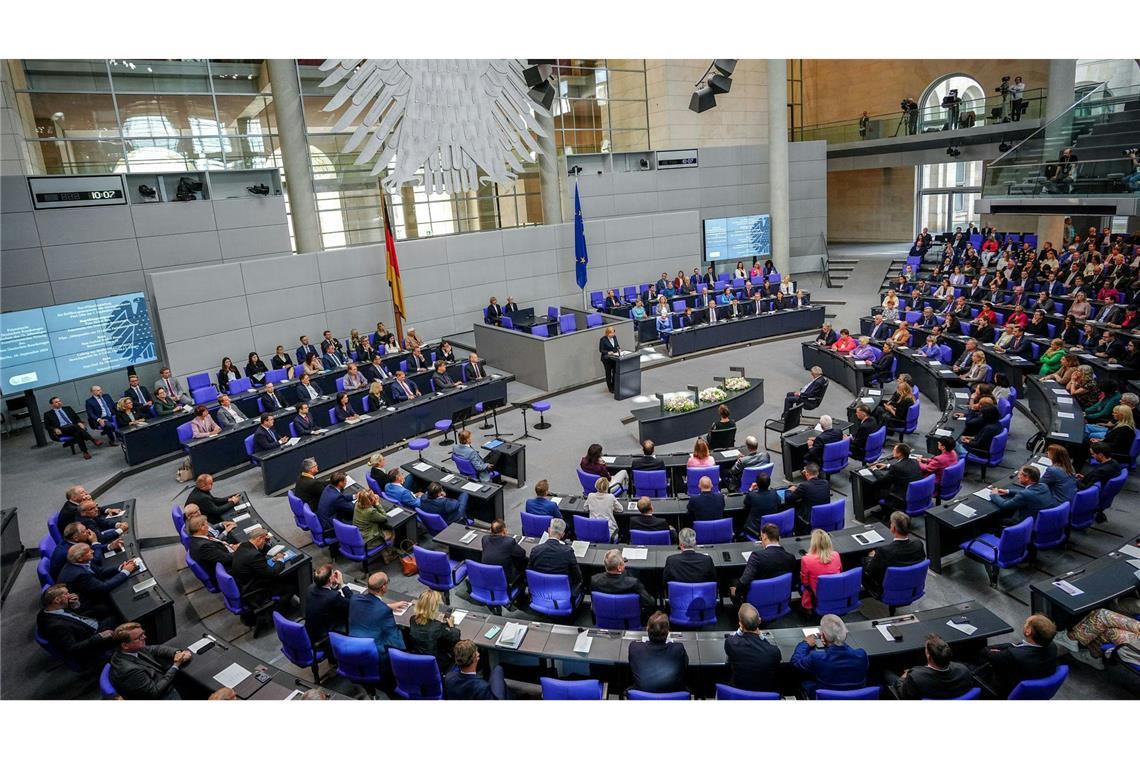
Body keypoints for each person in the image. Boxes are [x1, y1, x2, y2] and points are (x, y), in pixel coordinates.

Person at [977, 614, 1059, 698]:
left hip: (1006, 690)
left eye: (1026, 623)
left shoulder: (1013, 656)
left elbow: (987, 653)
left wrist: (999, 653)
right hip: (1032, 682)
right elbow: (1016, 646)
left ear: (1028, 632)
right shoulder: (1052, 646)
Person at [36, 584, 115, 670]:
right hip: (94, 638)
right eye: (66, 594)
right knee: (123, 618)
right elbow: (72, 649)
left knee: (111, 608)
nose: (70, 595)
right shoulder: (57, 627)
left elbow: (72, 618)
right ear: (57, 600)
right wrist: (99, 637)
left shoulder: (49, 610)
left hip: (90, 626)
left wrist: (75, 605)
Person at [109, 621, 191, 700]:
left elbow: (155, 649)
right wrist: (176, 665)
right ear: (125, 645)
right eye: (139, 637)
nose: (144, 637)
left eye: (143, 633)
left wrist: (177, 653)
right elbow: (154, 692)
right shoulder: (129, 670)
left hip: (158, 678)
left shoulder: (129, 649)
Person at [791, 614, 869, 695]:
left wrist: (805, 643)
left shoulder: (817, 657)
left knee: (806, 683)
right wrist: (836, 642)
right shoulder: (861, 655)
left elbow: (795, 663)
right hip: (855, 697)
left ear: (823, 636)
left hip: (825, 697)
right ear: (845, 633)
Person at [348, 571, 409, 662]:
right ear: (383, 587)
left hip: (352, 648)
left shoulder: (355, 599)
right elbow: (395, 640)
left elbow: (370, 609)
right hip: (374, 655)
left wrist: (388, 606)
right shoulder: (384, 611)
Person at [231, 527, 294, 614]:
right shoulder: (254, 555)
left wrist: (273, 559)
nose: (265, 543)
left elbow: (257, 565)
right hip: (254, 587)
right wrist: (280, 559)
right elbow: (272, 573)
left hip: (243, 581)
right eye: (265, 540)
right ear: (259, 538)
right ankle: (278, 613)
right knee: (290, 587)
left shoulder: (243, 545)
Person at [731, 522, 796, 606]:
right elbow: (792, 582)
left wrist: (736, 592)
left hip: (757, 602)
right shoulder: (790, 558)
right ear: (778, 538)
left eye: (761, 538)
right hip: (779, 600)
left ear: (765, 537)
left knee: (733, 583)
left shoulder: (756, 556)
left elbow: (744, 582)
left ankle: (742, 616)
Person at [893, 634, 975, 699]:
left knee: (886, 673)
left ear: (929, 656)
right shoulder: (964, 670)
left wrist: (904, 676)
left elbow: (902, 693)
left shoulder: (915, 677)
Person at [862, 511, 926, 594]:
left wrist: (871, 557)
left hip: (886, 589)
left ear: (894, 528)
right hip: (911, 585)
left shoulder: (885, 551)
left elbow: (870, 571)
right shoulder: (918, 545)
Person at [724, 603, 782, 692]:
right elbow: (767, 647)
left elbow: (733, 638)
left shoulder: (730, 643)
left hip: (738, 692)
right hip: (764, 694)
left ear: (740, 624)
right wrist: (762, 637)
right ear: (759, 621)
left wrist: (740, 629)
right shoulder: (774, 651)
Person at [628, 612, 688, 694]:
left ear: (647, 629)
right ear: (667, 632)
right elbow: (685, 665)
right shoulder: (678, 649)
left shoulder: (634, 648)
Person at [408, 589, 461, 673]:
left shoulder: (413, 620)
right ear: (433, 607)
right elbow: (455, 636)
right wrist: (451, 625)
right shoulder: (436, 627)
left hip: (419, 657)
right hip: (437, 663)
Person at [590, 549, 656, 614]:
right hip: (628, 620)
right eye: (623, 561)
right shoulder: (633, 583)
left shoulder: (594, 580)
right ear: (619, 567)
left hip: (604, 618)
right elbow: (650, 603)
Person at [527, 518, 583, 594]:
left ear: (549, 530)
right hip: (561, 595)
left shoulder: (535, 550)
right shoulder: (568, 552)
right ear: (563, 535)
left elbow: (529, 573)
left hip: (539, 593)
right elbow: (578, 577)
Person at [871, 443, 923, 512]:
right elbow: (902, 467)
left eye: (894, 450)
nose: (892, 451)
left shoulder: (897, 467)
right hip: (915, 493)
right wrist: (887, 466)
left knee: (877, 486)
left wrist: (875, 469)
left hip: (902, 496)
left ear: (899, 454)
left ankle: (886, 511)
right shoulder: (914, 461)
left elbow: (882, 480)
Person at [785, 463, 833, 536]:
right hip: (824, 515)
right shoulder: (826, 483)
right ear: (818, 473)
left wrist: (789, 490)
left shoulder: (804, 486)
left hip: (808, 520)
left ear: (806, 474)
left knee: (790, 507)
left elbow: (788, 498)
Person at [481, 520, 527, 588]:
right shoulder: (509, 542)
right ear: (504, 530)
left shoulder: (484, 539)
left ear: (490, 530)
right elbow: (522, 553)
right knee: (523, 564)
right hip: (504, 579)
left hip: (487, 575)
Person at [598, 326, 621, 393]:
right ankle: (610, 388)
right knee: (608, 373)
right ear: (607, 333)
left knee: (614, 372)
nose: (613, 334)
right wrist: (608, 352)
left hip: (614, 358)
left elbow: (617, 345)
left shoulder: (614, 337)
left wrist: (619, 349)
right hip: (607, 359)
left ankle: (614, 386)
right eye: (611, 333)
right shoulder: (603, 339)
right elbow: (601, 350)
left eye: (613, 333)